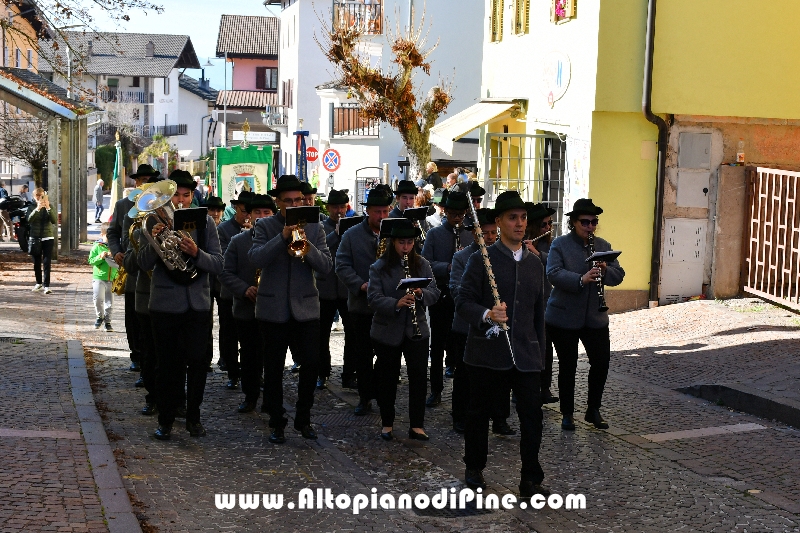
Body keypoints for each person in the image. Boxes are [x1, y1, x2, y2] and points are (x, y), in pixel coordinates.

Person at [456, 190, 548, 498]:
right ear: (499, 221)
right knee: (479, 415)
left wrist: (540, 356)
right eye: (513, 218)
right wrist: (487, 313)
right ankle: (474, 468)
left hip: (525, 354)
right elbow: (463, 302)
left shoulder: (536, 265)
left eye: (523, 218)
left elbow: (539, 315)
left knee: (532, 417)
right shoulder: (481, 259)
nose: (520, 224)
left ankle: (530, 478)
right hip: (487, 354)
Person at [248, 175, 332, 443]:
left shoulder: (315, 228)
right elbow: (255, 258)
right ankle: (276, 421)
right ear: (278, 203)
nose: (294, 204)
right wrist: (283, 237)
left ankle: (303, 419)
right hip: (272, 309)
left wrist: (306, 248)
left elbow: (326, 267)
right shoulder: (264, 226)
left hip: (306, 309)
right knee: (273, 369)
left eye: (298, 200)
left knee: (310, 364)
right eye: (288, 201)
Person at [139, 170, 223, 440]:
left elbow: (219, 264)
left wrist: (196, 253)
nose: (181, 201)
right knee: (167, 365)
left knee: (198, 362)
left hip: (197, 305)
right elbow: (142, 264)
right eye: (176, 195)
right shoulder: (152, 221)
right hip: (165, 304)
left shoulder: (206, 222)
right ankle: (165, 419)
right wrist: (154, 241)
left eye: (186, 196)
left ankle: (194, 418)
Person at [545, 198, 625, 430]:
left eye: (593, 222)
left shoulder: (602, 244)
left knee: (601, 362)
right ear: (574, 222)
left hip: (595, 317)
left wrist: (606, 269)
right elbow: (553, 273)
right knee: (568, 365)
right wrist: (581, 279)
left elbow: (619, 275)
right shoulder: (560, 245)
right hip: (563, 316)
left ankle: (593, 409)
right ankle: (567, 413)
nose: (590, 226)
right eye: (585, 222)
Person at [368, 221, 439, 441]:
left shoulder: (423, 264)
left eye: (409, 243)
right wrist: (396, 303)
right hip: (388, 330)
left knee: (418, 377)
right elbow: (373, 297)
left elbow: (435, 292)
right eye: (401, 243)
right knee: (387, 378)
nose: (406, 247)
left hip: (415, 329)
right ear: (393, 243)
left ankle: (417, 425)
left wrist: (420, 294)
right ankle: (387, 423)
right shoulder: (379, 267)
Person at [449, 208, 514, 436]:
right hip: (468, 325)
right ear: (475, 234)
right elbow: (457, 290)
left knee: (501, 374)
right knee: (465, 375)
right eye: (484, 233)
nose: (489, 237)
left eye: (492, 232)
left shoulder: (503, 255)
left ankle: (500, 418)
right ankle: (461, 416)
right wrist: (484, 308)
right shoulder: (463, 257)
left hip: (497, 326)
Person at [336, 186, 393, 415]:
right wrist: (360, 284)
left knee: (387, 353)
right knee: (363, 354)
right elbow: (341, 265)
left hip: (388, 306)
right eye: (378, 212)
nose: (382, 217)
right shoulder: (351, 235)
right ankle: (364, 396)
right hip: (361, 305)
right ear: (368, 211)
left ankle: (380, 391)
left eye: (386, 211)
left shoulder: (394, 232)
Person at [218, 194, 275, 414]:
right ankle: (250, 396)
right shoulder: (238, 241)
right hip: (246, 308)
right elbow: (224, 271)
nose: (261, 217)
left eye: (266, 213)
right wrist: (243, 289)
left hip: (273, 308)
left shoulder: (282, 240)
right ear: (248, 216)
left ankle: (270, 399)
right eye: (257, 213)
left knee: (271, 357)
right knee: (249, 355)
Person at [421, 190, 474, 406]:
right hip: (441, 296)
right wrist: (448, 267)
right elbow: (425, 264)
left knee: (461, 345)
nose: (457, 217)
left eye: (461, 214)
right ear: (446, 212)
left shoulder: (471, 234)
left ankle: (462, 393)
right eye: (453, 213)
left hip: (463, 297)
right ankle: (436, 389)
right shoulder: (434, 235)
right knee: (437, 345)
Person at [108, 164, 160, 375]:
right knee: (132, 315)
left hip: (154, 269)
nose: (145, 183)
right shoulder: (123, 205)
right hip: (131, 266)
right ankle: (136, 355)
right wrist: (116, 252)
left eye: (149, 180)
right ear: (136, 182)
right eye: (142, 180)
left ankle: (150, 357)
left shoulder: (161, 204)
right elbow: (112, 232)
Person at [316, 189, 356, 390]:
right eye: (335, 207)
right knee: (321, 335)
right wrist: (336, 233)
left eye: (342, 207)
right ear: (329, 208)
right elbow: (319, 248)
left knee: (352, 333)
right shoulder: (321, 227)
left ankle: (349, 374)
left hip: (346, 288)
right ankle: (322, 372)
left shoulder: (353, 226)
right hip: (325, 288)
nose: (339, 211)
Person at [524, 202, 559, 405]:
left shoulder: (551, 245)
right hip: (526, 302)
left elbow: (554, 265)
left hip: (546, 301)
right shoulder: (522, 242)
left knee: (545, 347)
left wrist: (538, 254)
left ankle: (544, 388)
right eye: (544, 224)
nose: (548, 228)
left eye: (550, 223)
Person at [215, 192, 251, 385]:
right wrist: (242, 237)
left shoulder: (259, 228)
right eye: (243, 210)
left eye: (249, 210)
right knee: (228, 332)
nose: (246, 214)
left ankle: (251, 372)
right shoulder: (224, 229)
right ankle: (232, 371)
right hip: (229, 290)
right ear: (236, 208)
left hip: (252, 290)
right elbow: (223, 258)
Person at [88, 222, 118, 331]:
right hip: (99, 277)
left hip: (113, 277)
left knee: (110, 302)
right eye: (107, 236)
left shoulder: (116, 247)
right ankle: (99, 316)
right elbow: (91, 261)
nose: (110, 239)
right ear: (102, 235)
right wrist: (100, 257)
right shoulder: (97, 246)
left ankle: (108, 321)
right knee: (98, 298)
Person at [27, 188, 57, 294]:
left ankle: (46, 285)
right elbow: (29, 220)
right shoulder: (31, 207)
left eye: (42, 196)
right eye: (37, 196)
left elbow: (54, 220)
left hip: (48, 237)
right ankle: (38, 283)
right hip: (35, 238)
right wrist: (37, 209)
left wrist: (48, 207)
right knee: (36, 262)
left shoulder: (50, 206)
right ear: (34, 197)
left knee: (47, 262)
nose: (40, 198)